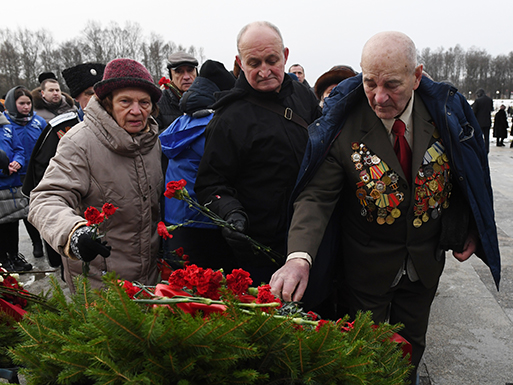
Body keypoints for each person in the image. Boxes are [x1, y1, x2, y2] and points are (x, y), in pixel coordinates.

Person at [269, 31, 501, 384]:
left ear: (417, 75)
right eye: (369, 82)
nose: (379, 97)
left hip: (424, 264)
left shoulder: (444, 116)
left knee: (412, 347)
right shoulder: (345, 126)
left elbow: (466, 175)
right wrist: (299, 257)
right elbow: (316, 196)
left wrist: (469, 225)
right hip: (366, 268)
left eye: (392, 84)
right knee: (364, 354)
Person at [194, 21, 321, 285]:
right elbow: (210, 184)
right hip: (262, 249)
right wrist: (231, 213)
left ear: (285, 56)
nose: (264, 71)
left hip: (312, 238)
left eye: (272, 60)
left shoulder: (303, 95)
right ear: (240, 63)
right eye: (254, 63)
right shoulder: (228, 119)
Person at [28, 58, 164, 292]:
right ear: (108, 103)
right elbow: (45, 200)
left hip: (150, 277)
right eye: (125, 101)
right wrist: (73, 233)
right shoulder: (80, 142)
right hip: (102, 283)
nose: (136, 110)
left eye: (144, 102)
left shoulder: (151, 141)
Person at [22, 63, 105, 269]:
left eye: (101, 93)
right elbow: (43, 182)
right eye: (89, 94)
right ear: (76, 98)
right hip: (76, 222)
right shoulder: (62, 128)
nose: (97, 99)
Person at [160, 59, 236, 270]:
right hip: (206, 222)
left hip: (176, 219)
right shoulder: (213, 128)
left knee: (181, 289)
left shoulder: (181, 122)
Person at [3, 86, 47, 259]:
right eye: (21, 103)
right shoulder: (6, 123)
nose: (26, 107)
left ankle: (42, 241)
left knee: (37, 209)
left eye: (29, 103)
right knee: (22, 212)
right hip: (16, 175)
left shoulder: (38, 121)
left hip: (37, 173)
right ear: (12, 104)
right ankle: (28, 245)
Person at [0, 111, 32, 272]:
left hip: (12, 182)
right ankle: (3, 260)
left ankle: (14, 255)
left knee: (12, 222)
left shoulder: (7, 127)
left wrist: (17, 163)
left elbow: (19, 149)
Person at [156, 52, 199, 132]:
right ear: (171, 76)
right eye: (179, 72)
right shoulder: (159, 102)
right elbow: (152, 139)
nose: (186, 77)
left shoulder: (209, 99)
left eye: (190, 70)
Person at [472, 88, 494, 153]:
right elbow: (491, 109)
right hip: (487, 121)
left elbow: (474, 111)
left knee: (478, 136)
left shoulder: (478, 101)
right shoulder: (489, 100)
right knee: (487, 137)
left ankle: (479, 149)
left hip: (479, 122)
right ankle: (486, 149)